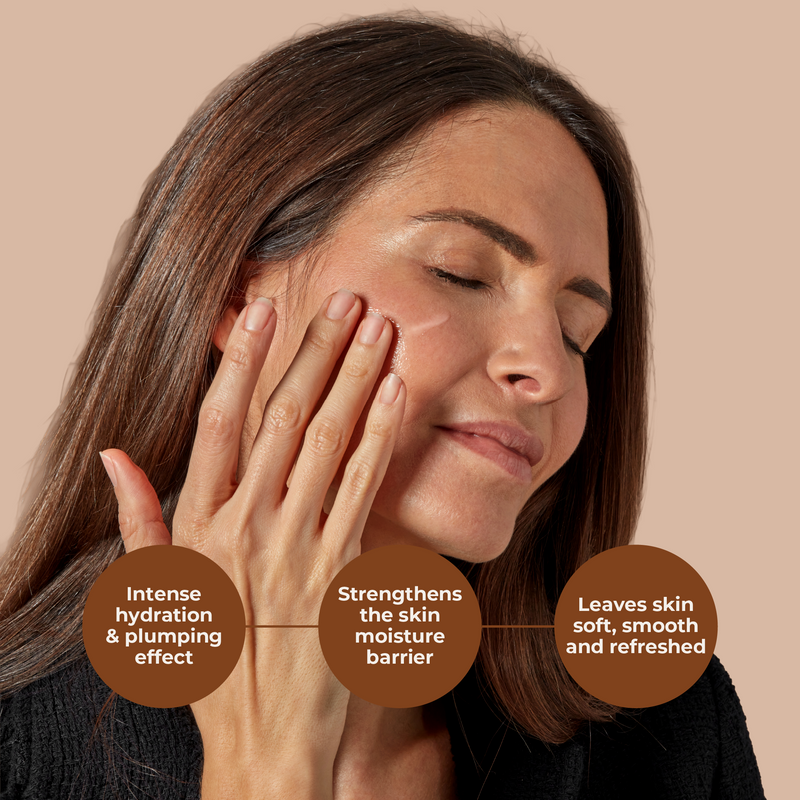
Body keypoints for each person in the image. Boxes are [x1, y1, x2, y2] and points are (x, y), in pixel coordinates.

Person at [0, 14, 763, 799]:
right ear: (234, 293)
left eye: (578, 334)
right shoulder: (18, 744)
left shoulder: (666, 725)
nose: (546, 368)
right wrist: (266, 771)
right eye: (459, 272)